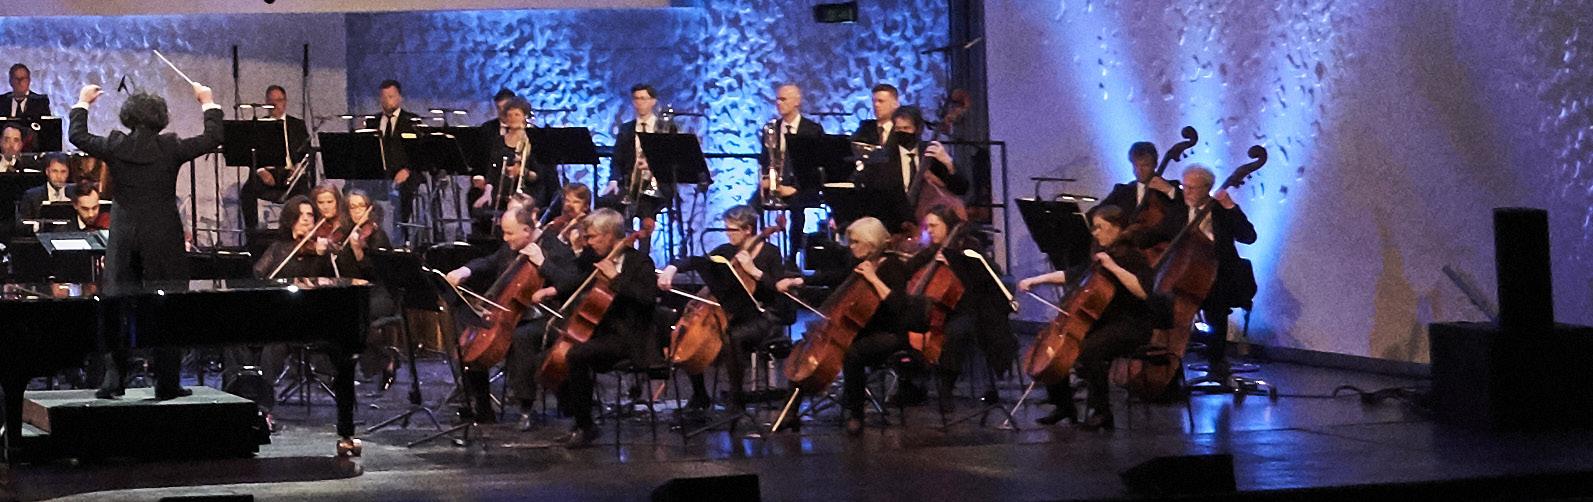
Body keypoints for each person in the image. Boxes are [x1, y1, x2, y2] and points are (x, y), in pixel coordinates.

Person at [70, 80, 222, 400]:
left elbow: (77, 136)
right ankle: (167, 382)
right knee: (168, 306)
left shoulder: (116, 146)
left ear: (128, 117)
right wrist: (207, 101)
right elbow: (213, 137)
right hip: (163, 235)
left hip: (124, 235)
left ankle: (114, 380)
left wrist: (83, 102)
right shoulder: (170, 147)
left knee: (117, 304)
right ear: (160, 118)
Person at [1016, 205, 1170, 430]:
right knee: (1059, 349)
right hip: (1107, 323)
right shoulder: (1104, 254)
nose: (1095, 233)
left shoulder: (1132, 256)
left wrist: (1113, 267)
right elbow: (1073, 274)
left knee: (1088, 350)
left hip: (1132, 325)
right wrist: (1036, 280)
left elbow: (1143, 291)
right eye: (1094, 228)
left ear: (1116, 228)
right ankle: (1064, 406)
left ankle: (1101, 411)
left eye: (1100, 227)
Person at [776, 217, 921, 436]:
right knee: (806, 350)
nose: (850, 246)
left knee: (853, 353)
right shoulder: (859, 263)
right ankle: (790, 413)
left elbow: (898, 306)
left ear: (871, 243)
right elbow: (837, 282)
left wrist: (874, 279)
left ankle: (856, 414)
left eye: (855, 242)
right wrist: (800, 282)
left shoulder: (893, 267)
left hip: (888, 332)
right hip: (859, 329)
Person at [445, 201, 578, 429]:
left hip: (547, 317)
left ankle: (526, 407)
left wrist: (543, 264)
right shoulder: (512, 247)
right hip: (512, 312)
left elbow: (570, 282)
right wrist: (465, 270)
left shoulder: (555, 248)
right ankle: (482, 407)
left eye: (509, 233)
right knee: (471, 329)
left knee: (521, 337)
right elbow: (490, 261)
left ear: (527, 230)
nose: (505, 239)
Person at [657, 205, 793, 411]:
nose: (727, 234)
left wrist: (754, 271)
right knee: (688, 335)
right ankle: (700, 394)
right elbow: (696, 261)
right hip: (730, 313)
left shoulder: (770, 253)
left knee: (732, 337)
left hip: (762, 316)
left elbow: (778, 289)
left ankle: (736, 399)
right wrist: (672, 268)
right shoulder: (726, 251)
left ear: (748, 229)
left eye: (731, 229)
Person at [901, 205, 1017, 414]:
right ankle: (909, 385)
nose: (930, 231)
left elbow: (991, 273)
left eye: (934, 226)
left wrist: (956, 263)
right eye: (928, 227)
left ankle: (946, 388)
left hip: (969, 309)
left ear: (948, 226)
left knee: (956, 333)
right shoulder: (933, 250)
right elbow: (907, 270)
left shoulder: (968, 247)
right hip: (939, 311)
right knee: (903, 326)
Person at [555, 208, 657, 447]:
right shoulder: (593, 259)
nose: (588, 242)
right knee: (555, 352)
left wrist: (615, 278)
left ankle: (586, 426)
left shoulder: (640, 262)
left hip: (630, 337)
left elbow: (646, 299)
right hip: (603, 333)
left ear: (610, 234)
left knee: (576, 356)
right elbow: (573, 280)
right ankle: (579, 418)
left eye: (592, 237)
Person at [1178, 165, 1257, 377]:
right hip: (1184, 274)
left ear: (1207, 188)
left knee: (1215, 304)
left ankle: (1217, 361)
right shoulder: (1178, 210)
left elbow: (1249, 236)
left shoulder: (1221, 210)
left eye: (1192, 188)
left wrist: (1230, 206)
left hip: (1218, 275)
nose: (1187, 192)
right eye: (1184, 187)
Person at [758, 83, 825, 259]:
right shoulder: (771, 129)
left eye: (783, 99)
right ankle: (758, 253)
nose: (779, 103)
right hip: (776, 184)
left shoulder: (812, 130)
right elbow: (765, 160)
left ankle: (792, 256)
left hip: (803, 187)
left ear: (797, 102)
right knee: (752, 206)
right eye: (777, 100)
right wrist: (767, 180)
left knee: (797, 208)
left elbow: (816, 166)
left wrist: (795, 188)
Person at [603, 84, 681, 227]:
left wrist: (652, 165)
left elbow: (672, 159)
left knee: (645, 203)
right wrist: (613, 180)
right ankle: (623, 237)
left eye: (643, 99)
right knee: (605, 202)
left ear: (653, 101)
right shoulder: (626, 129)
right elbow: (617, 159)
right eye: (636, 99)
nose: (639, 103)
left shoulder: (665, 128)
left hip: (657, 184)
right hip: (629, 183)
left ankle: (643, 240)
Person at [238, 85, 313, 232]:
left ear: (285, 102)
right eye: (271, 101)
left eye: (279, 100)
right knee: (247, 192)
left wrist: (298, 169)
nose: (275, 105)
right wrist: (261, 171)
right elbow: (251, 154)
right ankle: (252, 234)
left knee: (305, 192)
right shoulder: (259, 124)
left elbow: (306, 152)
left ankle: (301, 232)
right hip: (268, 173)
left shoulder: (297, 125)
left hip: (290, 173)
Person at [1097, 141, 1185, 247]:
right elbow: (1098, 211)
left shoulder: (1171, 187)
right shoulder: (1122, 190)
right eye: (1136, 165)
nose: (1139, 170)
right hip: (1125, 248)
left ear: (1155, 164)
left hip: (1156, 247)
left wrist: (1169, 190)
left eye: (1145, 165)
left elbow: (1185, 209)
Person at [363, 80, 421, 239]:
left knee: (403, 191)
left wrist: (407, 169)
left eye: (391, 96)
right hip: (378, 172)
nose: (387, 101)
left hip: (404, 172)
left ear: (399, 98)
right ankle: (367, 232)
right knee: (357, 188)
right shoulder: (372, 121)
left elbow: (419, 152)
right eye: (384, 97)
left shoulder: (411, 121)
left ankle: (400, 234)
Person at [19, 153, 76, 220]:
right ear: (47, 172)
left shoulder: (76, 194)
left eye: (63, 172)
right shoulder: (31, 196)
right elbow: (24, 223)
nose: (59, 176)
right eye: (55, 171)